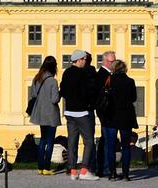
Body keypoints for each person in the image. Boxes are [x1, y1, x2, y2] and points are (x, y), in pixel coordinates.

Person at [58, 49, 99, 180]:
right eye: (84, 60)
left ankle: (73, 170)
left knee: (72, 141)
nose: (85, 62)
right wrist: (88, 103)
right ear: (80, 60)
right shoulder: (82, 74)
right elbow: (88, 92)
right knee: (89, 141)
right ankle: (84, 170)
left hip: (69, 112)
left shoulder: (66, 73)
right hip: (81, 112)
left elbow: (63, 91)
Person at [102, 59, 138, 180]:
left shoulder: (109, 80)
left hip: (111, 116)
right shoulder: (130, 81)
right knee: (126, 146)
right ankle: (126, 174)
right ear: (124, 69)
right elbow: (134, 98)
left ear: (114, 68)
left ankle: (112, 173)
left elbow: (105, 96)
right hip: (126, 117)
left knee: (111, 146)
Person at [28, 55, 61, 175]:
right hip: (51, 114)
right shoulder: (52, 81)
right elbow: (55, 100)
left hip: (40, 113)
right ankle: (47, 167)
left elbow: (33, 95)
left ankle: (40, 167)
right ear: (53, 67)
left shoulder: (36, 78)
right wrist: (60, 93)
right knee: (50, 141)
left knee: (42, 140)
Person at [91, 51, 116, 177]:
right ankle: (105, 168)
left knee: (104, 139)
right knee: (107, 139)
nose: (114, 64)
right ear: (105, 61)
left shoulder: (101, 73)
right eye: (112, 61)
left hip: (102, 110)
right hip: (106, 110)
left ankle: (101, 166)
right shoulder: (105, 75)